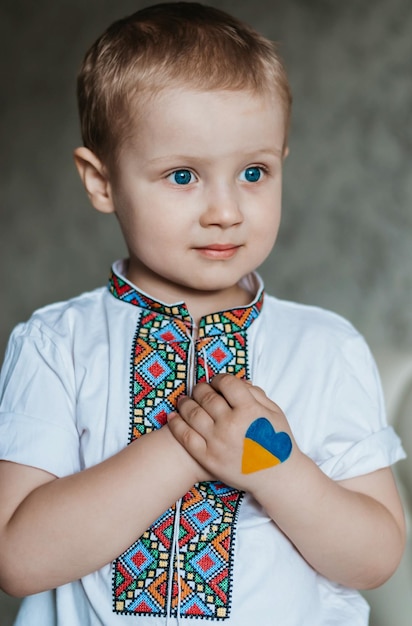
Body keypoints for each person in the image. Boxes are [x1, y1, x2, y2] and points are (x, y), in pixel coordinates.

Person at [0, 3, 406, 625]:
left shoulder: (327, 347)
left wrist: (273, 465)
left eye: (253, 171)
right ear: (101, 182)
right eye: (184, 175)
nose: (226, 210)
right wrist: (183, 447)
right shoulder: (56, 345)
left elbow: (376, 557)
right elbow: (18, 559)